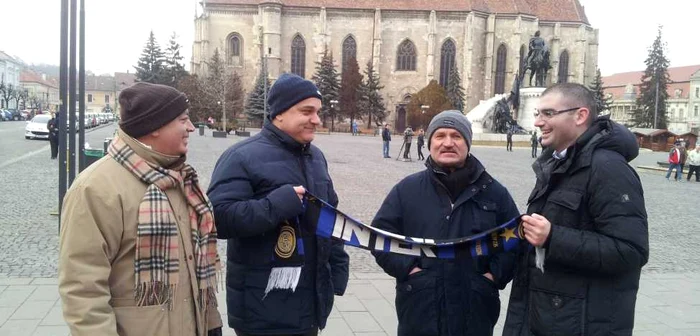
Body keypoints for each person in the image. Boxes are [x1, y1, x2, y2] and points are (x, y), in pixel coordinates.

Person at [58, 82, 223, 336]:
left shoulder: (181, 180)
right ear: (155, 127)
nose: (191, 127)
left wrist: (211, 323)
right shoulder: (95, 188)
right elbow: (83, 290)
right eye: (183, 120)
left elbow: (196, 270)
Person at [207, 73, 349, 336]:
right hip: (262, 308)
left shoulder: (316, 157)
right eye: (307, 111)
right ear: (280, 113)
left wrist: (337, 265)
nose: (316, 120)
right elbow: (218, 218)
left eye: (318, 112)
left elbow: (330, 216)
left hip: (310, 304)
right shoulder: (241, 157)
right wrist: (275, 205)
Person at [503, 83, 648, 336]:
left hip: (582, 323)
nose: (538, 122)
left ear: (580, 116)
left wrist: (553, 237)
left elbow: (631, 251)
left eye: (548, 114)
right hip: (548, 316)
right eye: (538, 113)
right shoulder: (558, 164)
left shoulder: (608, 168)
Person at [372, 110, 520, 336]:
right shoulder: (407, 190)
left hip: (474, 311)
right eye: (440, 136)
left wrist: (492, 277)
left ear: (468, 143)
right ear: (430, 142)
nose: (448, 143)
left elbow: (515, 240)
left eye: (456, 136)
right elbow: (380, 236)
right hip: (420, 309)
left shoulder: (494, 193)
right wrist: (409, 270)